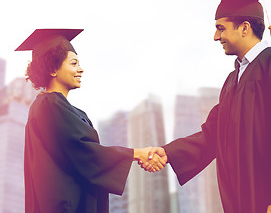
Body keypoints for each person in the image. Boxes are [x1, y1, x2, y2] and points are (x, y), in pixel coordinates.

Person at [147, 0, 271, 213]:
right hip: (245, 199)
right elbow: (213, 134)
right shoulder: (233, 80)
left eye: (221, 28)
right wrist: (168, 152)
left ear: (244, 27)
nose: (215, 36)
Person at [16, 29, 166, 213]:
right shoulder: (48, 105)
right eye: (74, 63)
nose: (81, 69)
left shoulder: (65, 109)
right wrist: (136, 154)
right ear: (53, 68)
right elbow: (82, 151)